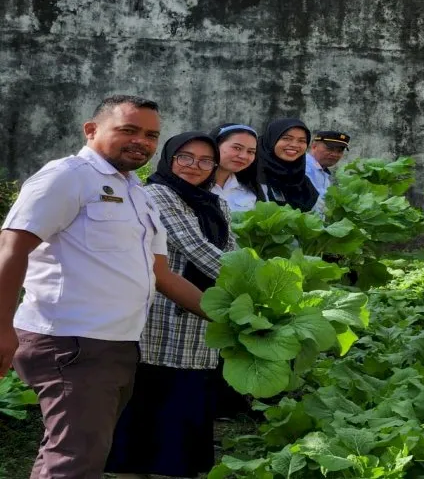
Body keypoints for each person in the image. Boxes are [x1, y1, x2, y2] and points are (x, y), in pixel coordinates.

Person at [0, 95, 206, 478]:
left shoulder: (138, 194)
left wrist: (230, 319)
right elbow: (11, 248)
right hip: (70, 342)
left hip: (117, 345)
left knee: (73, 454)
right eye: (128, 130)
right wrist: (1, 328)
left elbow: (162, 275)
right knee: (76, 460)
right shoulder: (67, 177)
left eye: (151, 135)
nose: (141, 141)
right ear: (91, 130)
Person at [106, 131, 235, 478]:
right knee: (151, 398)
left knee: (186, 400)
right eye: (185, 157)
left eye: (206, 160)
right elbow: (196, 248)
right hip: (160, 314)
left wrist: (245, 285)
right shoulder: (155, 195)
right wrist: (255, 287)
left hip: (202, 316)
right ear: (169, 159)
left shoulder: (216, 203)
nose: (195, 166)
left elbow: (231, 251)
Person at [257, 118, 319, 212]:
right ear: (271, 139)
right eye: (286, 138)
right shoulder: (251, 175)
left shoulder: (302, 181)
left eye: (301, 141)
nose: (294, 145)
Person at [210, 123, 264, 213]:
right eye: (237, 148)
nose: (244, 156)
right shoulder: (193, 185)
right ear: (215, 145)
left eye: (250, 151)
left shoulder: (250, 190)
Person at [306, 130, 350, 196]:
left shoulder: (321, 170)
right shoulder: (303, 168)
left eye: (339, 151)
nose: (335, 154)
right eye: (330, 149)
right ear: (314, 147)